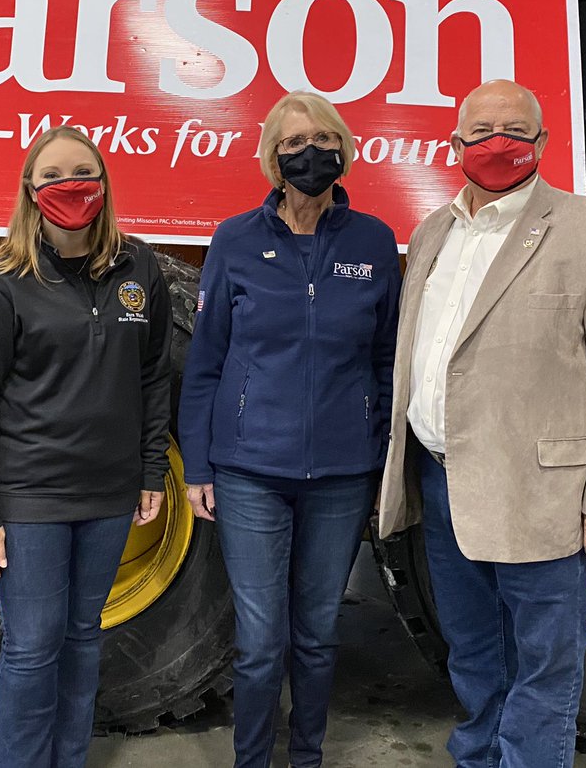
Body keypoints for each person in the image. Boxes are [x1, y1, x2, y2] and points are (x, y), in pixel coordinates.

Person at [376, 79, 586, 768]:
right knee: (473, 652)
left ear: (542, 142)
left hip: (545, 498)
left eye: (515, 131)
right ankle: (479, 758)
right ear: (455, 144)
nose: (498, 143)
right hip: (444, 484)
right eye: (481, 131)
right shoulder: (435, 232)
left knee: (543, 669)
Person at [179, 91, 401, 768]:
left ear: (345, 151)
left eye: (325, 139)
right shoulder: (235, 240)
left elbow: (388, 358)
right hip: (249, 473)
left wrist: (382, 457)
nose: (312, 152)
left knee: (318, 635)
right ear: (273, 158)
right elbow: (206, 362)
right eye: (296, 142)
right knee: (258, 643)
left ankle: (307, 756)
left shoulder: (373, 241)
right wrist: (198, 466)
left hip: (342, 475)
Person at [0, 126, 172, 768]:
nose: (70, 186)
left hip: (109, 496)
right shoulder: (0, 285)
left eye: (83, 173)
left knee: (82, 637)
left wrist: (150, 470)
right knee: (31, 647)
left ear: (103, 185)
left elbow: (153, 377)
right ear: (30, 190)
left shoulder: (139, 268)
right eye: (52, 176)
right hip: (30, 500)